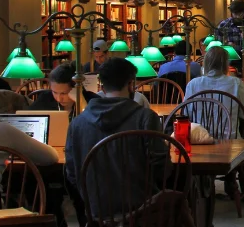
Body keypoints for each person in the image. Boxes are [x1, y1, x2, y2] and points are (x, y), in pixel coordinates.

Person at [64, 58, 167, 217]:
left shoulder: (77, 123)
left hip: (97, 215)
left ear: (102, 87)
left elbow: (71, 171)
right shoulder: (145, 118)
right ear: (131, 84)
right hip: (142, 215)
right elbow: (162, 168)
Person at [185, 46, 244, 127]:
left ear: (205, 63)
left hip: (200, 138)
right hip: (230, 138)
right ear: (226, 64)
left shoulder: (193, 84)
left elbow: (185, 113)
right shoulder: (237, 83)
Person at [30, 63, 98, 115]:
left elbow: (93, 126)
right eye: (55, 92)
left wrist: (80, 100)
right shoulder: (45, 98)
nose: (59, 99)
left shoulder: (93, 100)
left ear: (76, 88)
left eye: (64, 93)